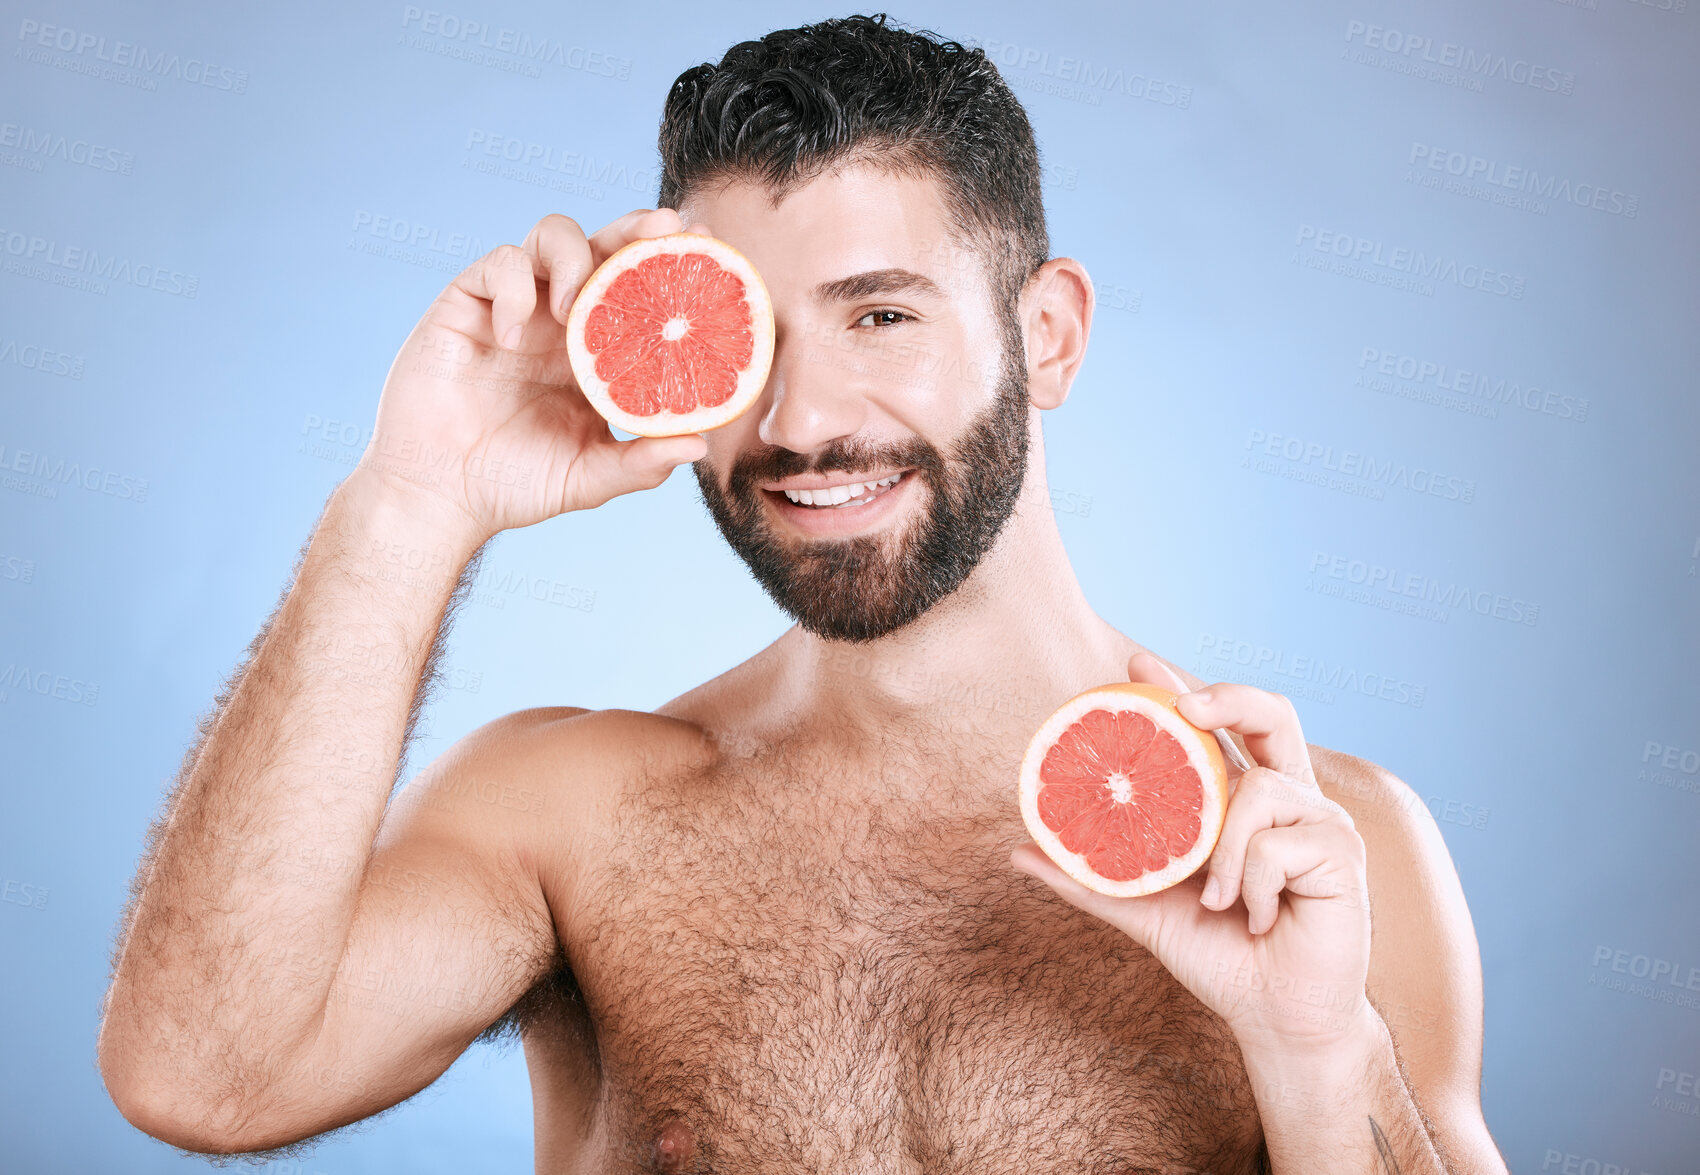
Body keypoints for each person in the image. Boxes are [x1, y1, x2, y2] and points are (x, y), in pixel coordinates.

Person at [97, 14, 1508, 1174]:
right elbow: (203, 1078)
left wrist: (1323, 1060)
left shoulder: (1322, 852)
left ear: (1049, 336)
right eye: (743, 336)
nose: (802, 416)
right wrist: (412, 502)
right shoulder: (573, 820)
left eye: (880, 314)